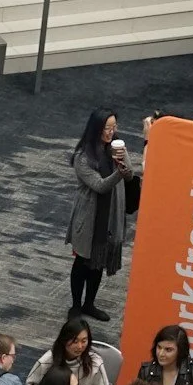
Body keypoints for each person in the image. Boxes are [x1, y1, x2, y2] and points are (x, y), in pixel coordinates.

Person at [66, 111, 136, 321]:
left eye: (114, 127)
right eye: (107, 128)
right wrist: (118, 173)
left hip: (110, 215)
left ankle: (89, 304)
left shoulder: (116, 148)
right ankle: (76, 305)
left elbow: (130, 175)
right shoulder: (83, 157)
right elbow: (100, 185)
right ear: (97, 128)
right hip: (89, 217)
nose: (112, 132)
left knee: (99, 262)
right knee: (82, 262)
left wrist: (122, 160)